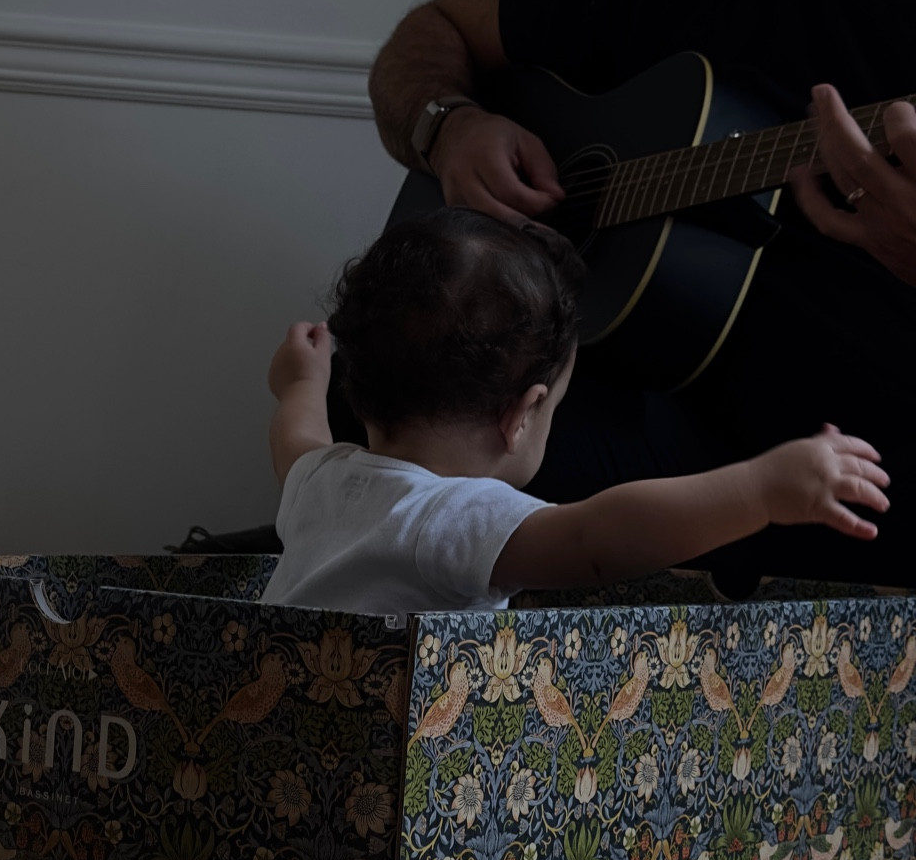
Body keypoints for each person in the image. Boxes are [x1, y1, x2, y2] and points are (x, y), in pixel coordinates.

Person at [363, 0, 916, 590]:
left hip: (864, 494)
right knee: (376, 398)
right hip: (645, 456)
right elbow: (431, 33)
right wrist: (452, 126)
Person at [261, 210, 889, 614]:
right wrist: (760, 489)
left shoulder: (323, 480)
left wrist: (302, 381)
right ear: (523, 414)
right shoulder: (451, 516)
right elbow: (598, 538)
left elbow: (297, 432)